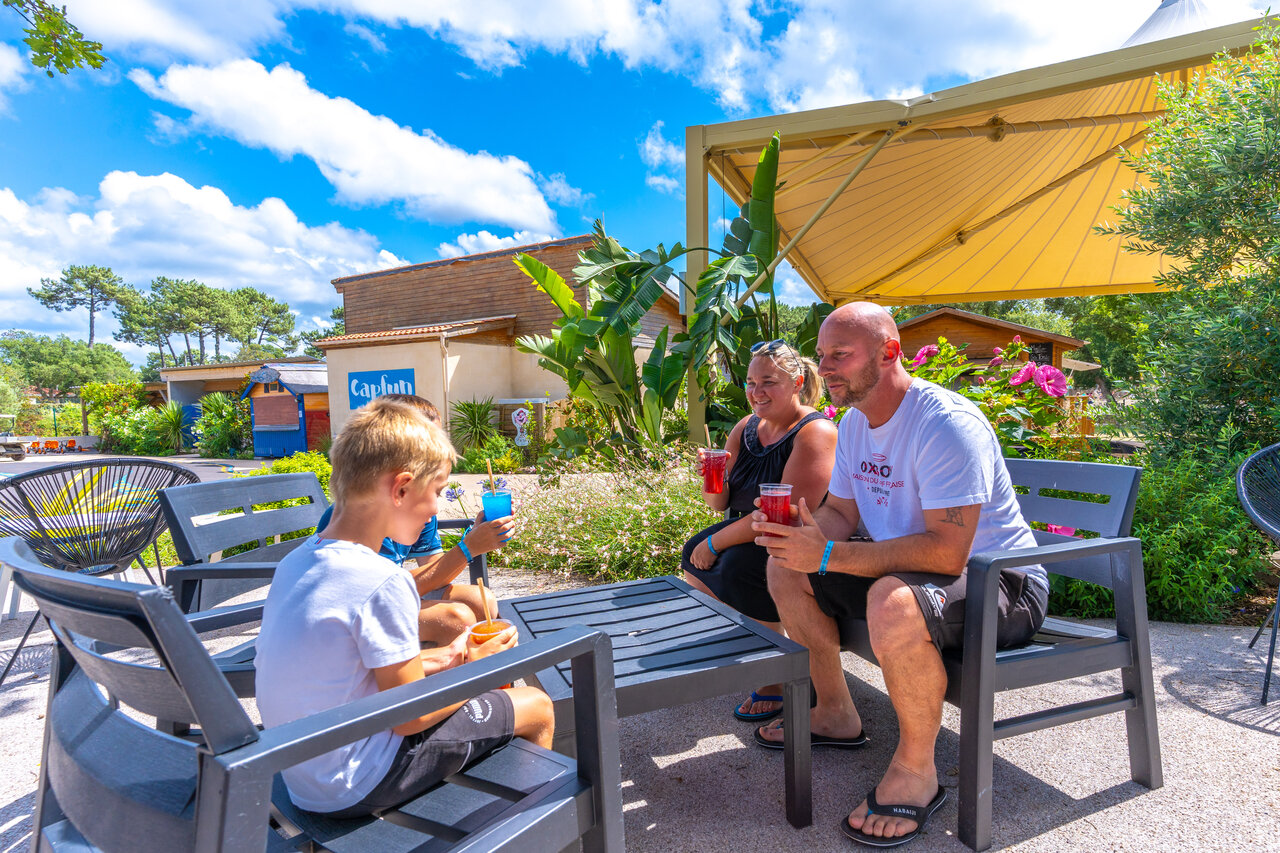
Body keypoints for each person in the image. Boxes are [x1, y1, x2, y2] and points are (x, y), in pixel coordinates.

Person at [752, 303, 1048, 848]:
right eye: (823, 356)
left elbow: (947, 553)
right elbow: (842, 512)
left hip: (1002, 581)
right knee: (784, 569)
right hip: (913, 569)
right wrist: (804, 535)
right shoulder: (856, 424)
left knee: (892, 600)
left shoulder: (944, 425)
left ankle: (917, 769)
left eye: (841, 354)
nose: (828, 367)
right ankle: (836, 712)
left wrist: (829, 556)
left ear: (890, 352)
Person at [255, 397, 554, 817]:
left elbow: (353, 673)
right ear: (400, 488)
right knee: (536, 706)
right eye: (436, 492)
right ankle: (521, 832)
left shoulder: (298, 562)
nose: (436, 507)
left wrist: (450, 656)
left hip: (303, 772)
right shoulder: (381, 579)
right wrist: (476, 668)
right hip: (358, 781)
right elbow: (409, 718)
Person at [682, 339, 837, 722]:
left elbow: (783, 514)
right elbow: (720, 505)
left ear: (797, 382)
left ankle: (778, 674)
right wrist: (712, 477)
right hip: (746, 530)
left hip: (790, 539)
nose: (756, 392)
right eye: (751, 383)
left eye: (768, 382)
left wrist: (718, 541)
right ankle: (759, 649)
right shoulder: (746, 427)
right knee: (692, 552)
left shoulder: (815, 433)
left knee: (736, 565)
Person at [314, 394, 513, 646]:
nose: (438, 450)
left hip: (380, 595)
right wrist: (469, 547)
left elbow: (435, 573)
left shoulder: (415, 508)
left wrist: (473, 539)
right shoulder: (365, 519)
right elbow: (380, 594)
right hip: (362, 608)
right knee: (456, 617)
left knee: (481, 599)